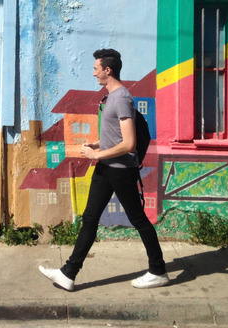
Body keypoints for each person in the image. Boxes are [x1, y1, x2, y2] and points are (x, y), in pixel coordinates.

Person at [39, 48, 169, 291]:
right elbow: (116, 136)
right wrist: (97, 144)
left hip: (120, 170)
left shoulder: (122, 98)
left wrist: (97, 154)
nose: (93, 73)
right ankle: (68, 273)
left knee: (138, 219)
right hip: (106, 168)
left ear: (107, 70)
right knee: (90, 219)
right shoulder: (111, 97)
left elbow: (129, 144)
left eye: (96, 69)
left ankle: (158, 271)